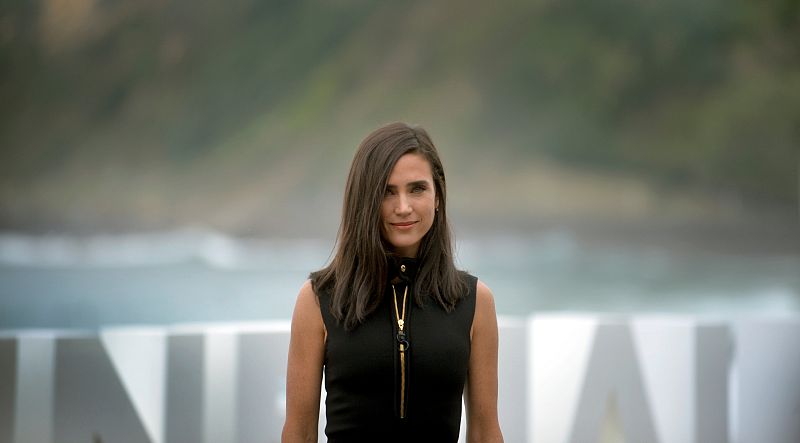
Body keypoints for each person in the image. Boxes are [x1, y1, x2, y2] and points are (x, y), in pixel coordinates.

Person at [281, 122, 503, 443]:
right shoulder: (318, 299)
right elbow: (299, 434)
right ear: (364, 201)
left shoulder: (475, 301)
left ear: (437, 196)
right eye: (387, 192)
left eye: (417, 189)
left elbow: (485, 432)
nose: (403, 207)